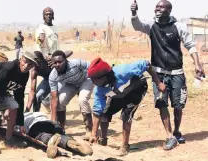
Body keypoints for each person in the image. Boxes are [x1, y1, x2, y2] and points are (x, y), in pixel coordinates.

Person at [131, 0, 205, 150]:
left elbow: (190, 45)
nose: (157, 8)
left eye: (161, 6)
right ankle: (169, 136)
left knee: (178, 105)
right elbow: (137, 25)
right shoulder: (151, 25)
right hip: (159, 73)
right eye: (156, 6)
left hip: (177, 72)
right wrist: (134, 13)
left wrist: (197, 63)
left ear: (169, 10)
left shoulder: (179, 26)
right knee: (162, 103)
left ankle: (177, 131)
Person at [87, 58, 166, 156]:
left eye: (94, 79)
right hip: (118, 93)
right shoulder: (99, 90)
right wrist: (93, 134)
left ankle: (125, 146)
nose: (93, 82)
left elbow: (146, 64)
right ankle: (103, 140)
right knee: (105, 113)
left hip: (137, 89)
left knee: (126, 115)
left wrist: (158, 82)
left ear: (104, 76)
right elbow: (97, 112)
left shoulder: (124, 71)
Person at [49, 50, 94, 140]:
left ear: (66, 60)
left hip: (85, 80)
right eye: (55, 63)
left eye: (60, 62)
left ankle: (89, 129)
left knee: (82, 100)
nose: (57, 65)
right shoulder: (53, 76)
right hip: (71, 85)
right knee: (60, 101)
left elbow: (92, 67)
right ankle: (61, 128)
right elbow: (54, 98)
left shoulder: (76, 63)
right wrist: (53, 121)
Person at [21, 112, 93, 158]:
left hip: (36, 125)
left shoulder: (21, 118)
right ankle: (69, 142)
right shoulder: (38, 113)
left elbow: (21, 131)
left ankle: (50, 140)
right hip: (52, 123)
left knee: (42, 135)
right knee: (61, 135)